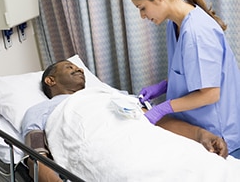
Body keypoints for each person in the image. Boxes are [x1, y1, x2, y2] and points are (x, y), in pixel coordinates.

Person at [21, 60, 228, 182]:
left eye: (79, 67)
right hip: (112, 156)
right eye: (69, 67)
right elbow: (36, 157)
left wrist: (201, 134)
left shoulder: (108, 94)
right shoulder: (41, 110)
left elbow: (153, 119)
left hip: (154, 145)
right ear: (50, 80)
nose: (80, 69)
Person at [125, 0, 240, 159]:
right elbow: (194, 76)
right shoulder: (175, 24)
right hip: (194, 127)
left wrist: (163, 108)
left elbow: (210, 94)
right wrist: (162, 87)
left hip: (218, 134)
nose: (142, 16)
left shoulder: (197, 32)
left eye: (142, 8)